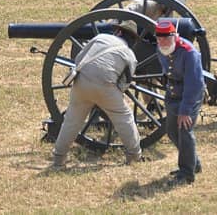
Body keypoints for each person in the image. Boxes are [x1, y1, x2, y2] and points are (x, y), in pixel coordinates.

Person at [51, 20, 142, 168]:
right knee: (124, 117)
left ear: (118, 32)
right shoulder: (130, 55)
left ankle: (59, 158)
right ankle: (134, 155)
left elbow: (79, 59)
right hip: (106, 87)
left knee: (72, 121)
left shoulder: (100, 38)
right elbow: (125, 82)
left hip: (81, 83)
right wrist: (112, 95)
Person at [155, 19, 205, 185]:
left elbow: (194, 84)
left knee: (184, 131)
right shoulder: (161, 48)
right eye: (159, 39)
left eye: (166, 38)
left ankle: (186, 173)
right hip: (173, 93)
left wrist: (185, 111)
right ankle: (194, 163)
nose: (162, 42)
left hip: (190, 95)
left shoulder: (189, 53)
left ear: (175, 35)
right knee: (171, 131)